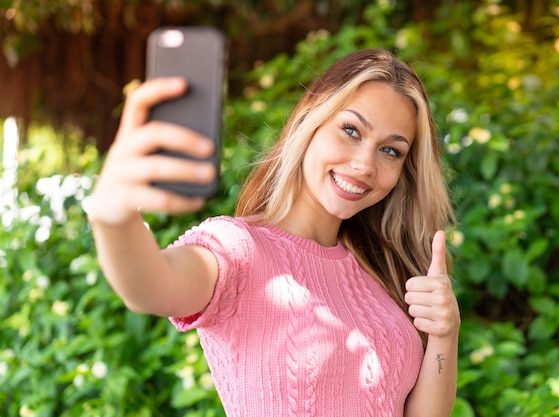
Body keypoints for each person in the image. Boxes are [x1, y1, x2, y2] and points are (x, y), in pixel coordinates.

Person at [89, 48, 460, 416]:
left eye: (391, 151)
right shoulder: (239, 250)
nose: (365, 164)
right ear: (308, 122)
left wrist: (445, 334)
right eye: (350, 130)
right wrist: (113, 216)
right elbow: (151, 286)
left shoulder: (381, 272)